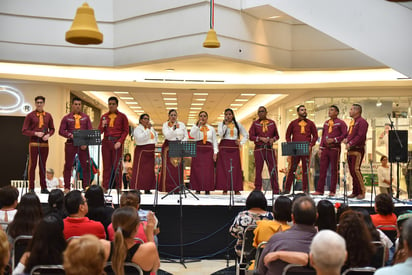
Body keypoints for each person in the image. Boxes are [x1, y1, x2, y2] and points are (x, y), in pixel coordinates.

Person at [258, 196, 317, 275]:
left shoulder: (276, 240)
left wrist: (279, 255)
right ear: (317, 216)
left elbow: (261, 271)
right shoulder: (328, 245)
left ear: (292, 217)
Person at [101, 207, 160, 275]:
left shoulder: (102, 246)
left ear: (113, 226)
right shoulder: (148, 249)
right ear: (136, 228)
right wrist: (149, 235)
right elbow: (155, 268)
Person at [59, 96, 93, 192]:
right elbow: (61, 131)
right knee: (68, 166)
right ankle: (67, 187)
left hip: (83, 145)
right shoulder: (66, 118)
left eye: (79, 104)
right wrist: (70, 135)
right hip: (70, 144)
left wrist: (85, 143)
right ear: (72, 105)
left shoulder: (86, 118)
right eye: (75, 104)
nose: (77, 106)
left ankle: (86, 187)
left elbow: (90, 131)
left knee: (86, 166)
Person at [22, 95, 55, 194]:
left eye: (41, 102)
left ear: (44, 104)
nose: (39, 104)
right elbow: (24, 130)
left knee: (43, 166)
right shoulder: (30, 115)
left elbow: (52, 129)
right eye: (38, 102)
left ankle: (43, 188)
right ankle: (31, 188)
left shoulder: (48, 116)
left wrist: (48, 135)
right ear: (35, 103)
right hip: (33, 143)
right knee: (32, 166)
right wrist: (35, 133)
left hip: (45, 144)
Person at [312, 105, 347, 196]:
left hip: (334, 149)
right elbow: (323, 136)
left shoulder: (341, 123)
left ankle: (332, 190)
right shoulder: (326, 123)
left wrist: (335, 139)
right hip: (325, 149)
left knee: (334, 170)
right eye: (329, 110)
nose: (329, 112)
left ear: (336, 112)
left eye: (332, 110)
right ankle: (319, 190)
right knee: (322, 169)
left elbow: (344, 135)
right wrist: (320, 148)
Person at [284, 105, 318, 193]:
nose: (304, 111)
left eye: (305, 110)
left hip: (306, 148)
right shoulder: (293, 123)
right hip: (295, 148)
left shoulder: (310, 123)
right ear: (298, 112)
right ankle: (287, 189)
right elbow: (287, 135)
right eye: (302, 110)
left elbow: (315, 136)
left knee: (305, 169)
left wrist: (311, 145)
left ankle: (305, 189)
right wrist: (290, 145)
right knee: (292, 169)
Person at [98, 96, 129, 191]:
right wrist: (102, 125)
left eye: (113, 104)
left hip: (117, 142)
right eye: (109, 104)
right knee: (106, 166)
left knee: (117, 166)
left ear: (117, 105)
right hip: (106, 141)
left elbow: (125, 131)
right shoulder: (104, 116)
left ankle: (119, 187)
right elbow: (100, 131)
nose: (111, 106)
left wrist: (120, 141)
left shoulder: (122, 116)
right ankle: (105, 186)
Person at [230, 190, 273, 256]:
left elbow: (233, 232)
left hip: (244, 251)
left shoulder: (242, 215)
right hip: (266, 250)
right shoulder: (271, 216)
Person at [216, 108, 249, 195]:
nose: (228, 116)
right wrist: (225, 125)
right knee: (224, 168)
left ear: (233, 115)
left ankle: (236, 188)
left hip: (234, 147)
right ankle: (225, 188)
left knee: (235, 168)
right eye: (226, 114)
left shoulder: (238, 124)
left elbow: (246, 135)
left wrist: (241, 142)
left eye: (230, 114)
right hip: (224, 147)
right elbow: (221, 134)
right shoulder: (221, 124)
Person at [249, 106, 280, 193]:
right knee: (258, 170)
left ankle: (276, 190)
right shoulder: (255, 124)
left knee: (273, 168)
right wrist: (260, 138)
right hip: (259, 149)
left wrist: (272, 139)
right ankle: (258, 189)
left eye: (262, 111)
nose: (261, 113)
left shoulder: (272, 123)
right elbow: (251, 137)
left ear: (266, 112)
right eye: (259, 112)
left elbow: (277, 136)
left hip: (269, 149)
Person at [343, 103, 369, 199]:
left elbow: (360, 136)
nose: (349, 111)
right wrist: (346, 140)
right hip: (350, 150)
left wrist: (351, 143)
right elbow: (351, 134)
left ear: (357, 111)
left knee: (356, 170)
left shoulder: (362, 122)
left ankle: (362, 191)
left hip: (357, 149)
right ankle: (355, 191)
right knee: (352, 172)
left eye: (351, 109)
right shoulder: (353, 122)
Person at [189, 111, 218, 194]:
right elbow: (192, 135)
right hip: (198, 150)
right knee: (197, 170)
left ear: (207, 118)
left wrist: (215, 152)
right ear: (198, 118)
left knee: (207, 171)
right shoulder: (195, 127)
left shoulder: (211, 128)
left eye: (204, 116)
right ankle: (197, 188)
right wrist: (198, 126)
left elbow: (214, 141)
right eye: (201, 116)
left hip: (208, 151)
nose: (202, 117)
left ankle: (207, 189)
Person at [160, 109, 188, 192]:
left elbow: (185, 135)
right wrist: (173, 128)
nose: (173, 117)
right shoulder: (165, 125)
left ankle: (178, 188)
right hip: (168, 147)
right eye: (171, 115)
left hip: (179, 146)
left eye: (174, 115)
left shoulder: (182, 124)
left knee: (178, 168)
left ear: (177, 116)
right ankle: (167, 188)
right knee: (168, 168)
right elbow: (167, 135)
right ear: (168, 116)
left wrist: (183, 142)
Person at [131, 113, 158, 194]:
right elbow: (140, 139)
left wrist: (149, 130)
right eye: (145, 119)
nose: (147, 121)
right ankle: (137, 188)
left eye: (148, 119)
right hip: (142, 152)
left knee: (149, 172)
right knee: (139, 171)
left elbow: (155, 138)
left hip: (150, 152)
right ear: (140, 120)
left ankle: (147, 188)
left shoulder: (151, 128)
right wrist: (147, 130)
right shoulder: (138, 129)